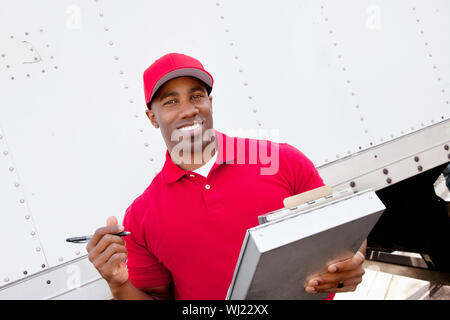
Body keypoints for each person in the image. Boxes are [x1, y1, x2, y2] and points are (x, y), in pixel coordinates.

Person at [86, 53, 366, 300]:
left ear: (210, 100)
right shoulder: (141, 216)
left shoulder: (280, 160)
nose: (188, 110)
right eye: (171, 101)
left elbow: (342, 228)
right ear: (152, 117)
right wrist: (119, 285)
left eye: (196, 96)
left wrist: (354, 259)